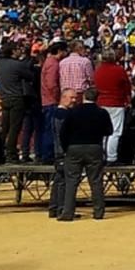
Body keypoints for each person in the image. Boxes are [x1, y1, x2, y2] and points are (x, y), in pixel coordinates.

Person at [59, 88, 113, 221]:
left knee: (71, 181)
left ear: (83, 97)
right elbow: (109, 131)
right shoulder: (102, 112)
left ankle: (68, 212)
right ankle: (98, 212)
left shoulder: (73, 112)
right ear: (97, 98)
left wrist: (66, 148)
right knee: (96, 181)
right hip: (94, 147)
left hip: (74, 148)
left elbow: (63, 132)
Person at [0, 43, 37, 163]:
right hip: (16, 97)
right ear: (13, 51)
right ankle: (11, 153)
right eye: (18, 49)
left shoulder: (0, 64)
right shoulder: (17, 64)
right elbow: (30, 76)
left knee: (5, 127)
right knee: (15, 127)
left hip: (4, 97)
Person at [93, 49, 130, 163]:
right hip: (116, 103)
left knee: (102, 131)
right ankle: (112, 157)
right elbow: (126, 87)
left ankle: (101, 156)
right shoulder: (119, 70)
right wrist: (128, 101)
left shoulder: (98, 70)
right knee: (115, 131)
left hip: (101, 103)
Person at [46, 88, 78, 218]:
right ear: (63, 97)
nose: (74, 100)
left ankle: (54, 208)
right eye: (71, 98)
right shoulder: (62, 115)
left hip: (58, 151)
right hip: (63, 152)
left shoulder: (56, 113)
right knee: (63, 181)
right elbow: (62, 135)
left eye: (75, 98)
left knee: (59, 180)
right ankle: (61, 209)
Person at [38, 41, 68, 162]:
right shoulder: (53, 64)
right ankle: (48, 155)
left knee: (48, 129)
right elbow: (51, 84)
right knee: (51, 129)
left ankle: (46, 154)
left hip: (47, 99)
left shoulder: (48, 62)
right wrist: (57, 97)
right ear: (60, 51)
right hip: (51, 100)